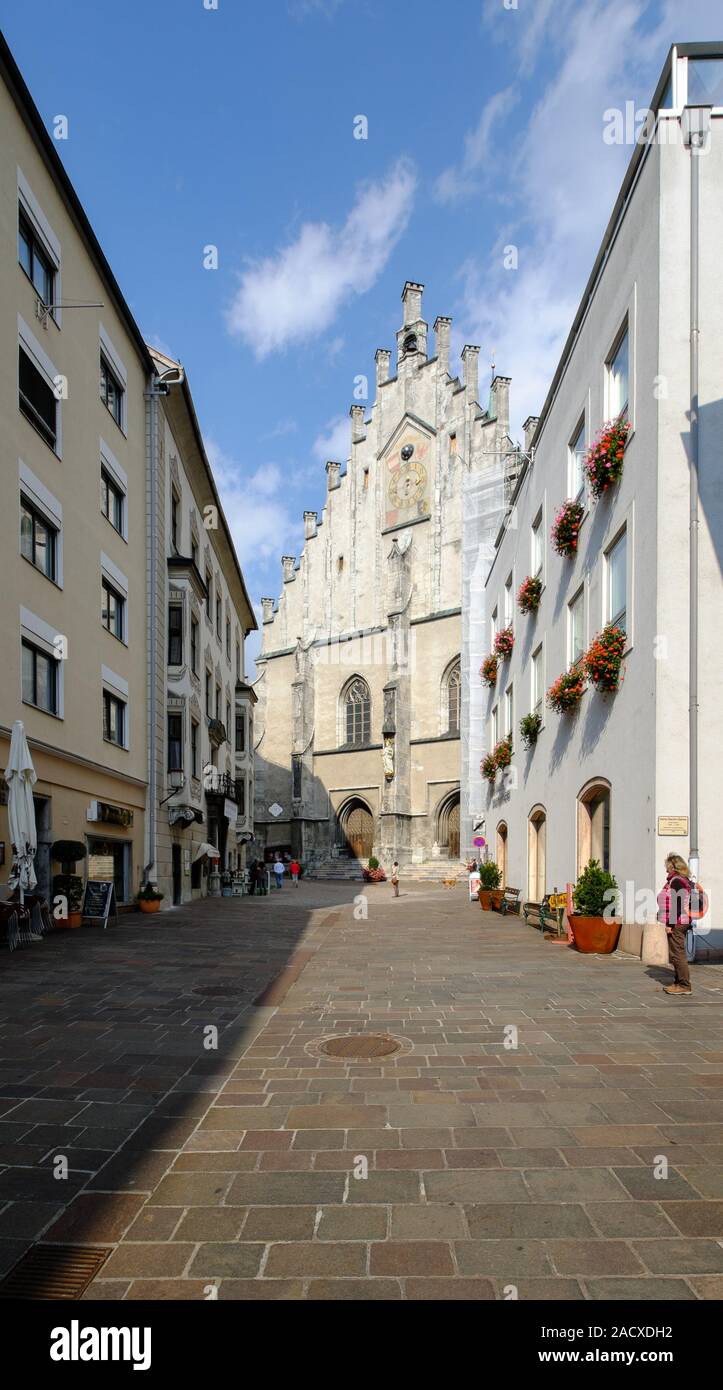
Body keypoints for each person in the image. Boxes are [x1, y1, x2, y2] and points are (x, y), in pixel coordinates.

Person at [657, 853, 693, 996]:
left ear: (673, 866)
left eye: (667, 867)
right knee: (675, 954)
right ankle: (678, 982)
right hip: (679, 921)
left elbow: (676, 905)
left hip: (677, 922)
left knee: (678, 954)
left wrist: (670, 925)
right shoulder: (679, 880)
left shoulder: (677, 881)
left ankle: (684, 985)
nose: (666, 870)